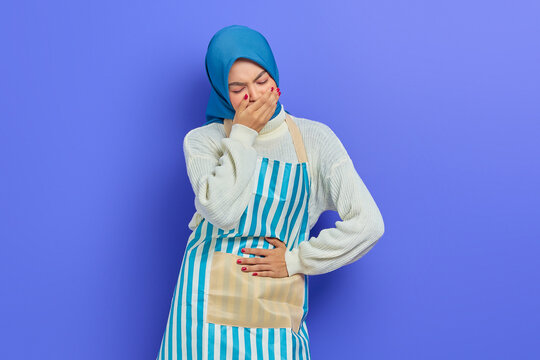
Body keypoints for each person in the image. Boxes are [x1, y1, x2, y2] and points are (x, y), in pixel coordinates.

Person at [156, 24, 385, 360]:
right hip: (201, 318)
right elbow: (221, 212)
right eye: (238, 88)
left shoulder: (315, 140)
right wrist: (243, 135)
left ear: (275, 77)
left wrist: (296, 260)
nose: (254, 96)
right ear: (222, 90)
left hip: (274, 311)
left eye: (262, 81)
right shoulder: (203, 142)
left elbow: (369, 224)